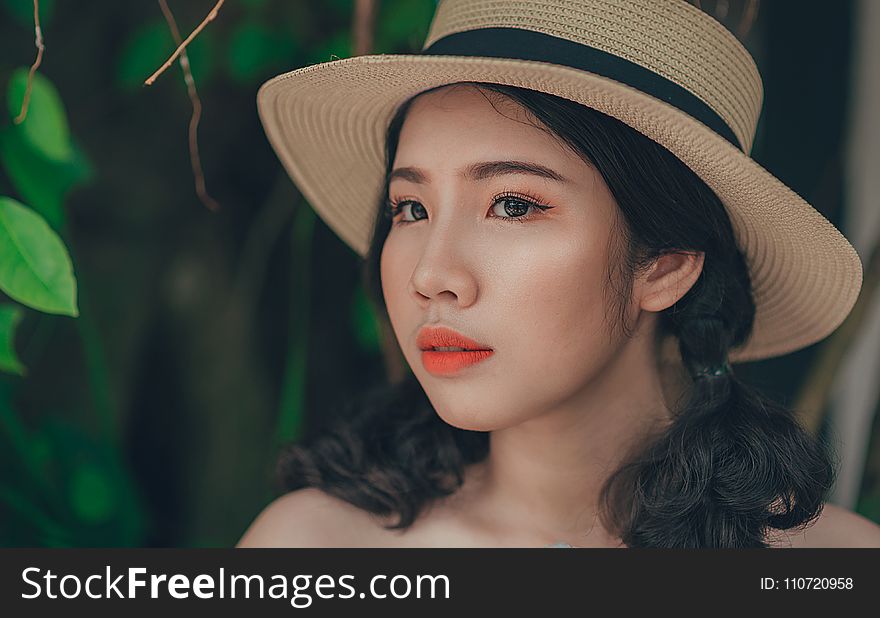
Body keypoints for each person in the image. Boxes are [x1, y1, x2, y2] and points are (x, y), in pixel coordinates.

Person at [237, 0, 880, 548]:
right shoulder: (315, 546)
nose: (432, 274)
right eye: (411, 208)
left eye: (513, 205)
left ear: (666, 266)